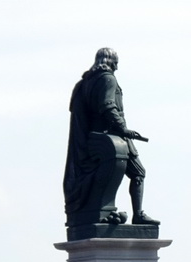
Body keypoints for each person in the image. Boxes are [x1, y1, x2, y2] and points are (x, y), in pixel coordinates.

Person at [63, 47, 159, 226]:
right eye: (116, 62)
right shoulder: (107, 79)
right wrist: (123, 129)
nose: (117, 67)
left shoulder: (84, 83)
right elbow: (108, 105)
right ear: (111, 61)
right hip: (112, 138)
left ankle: (116, 210)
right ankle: (137, 214)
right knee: (139, 173)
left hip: (93, 139)